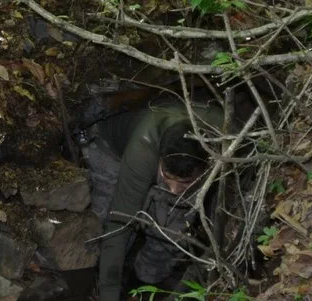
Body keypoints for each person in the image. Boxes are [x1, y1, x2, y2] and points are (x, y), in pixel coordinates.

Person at [82, 97, 224, 301]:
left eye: (183, 184)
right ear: (159, 161)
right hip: (111, 150)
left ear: (208, 166)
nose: (174, 191)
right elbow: (119, 224)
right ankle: (99, 278)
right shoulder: (143, 149)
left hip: (186, 157)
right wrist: (108, 294)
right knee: (104, 223)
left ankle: (145, 285)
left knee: (171, 231)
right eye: (168, 179)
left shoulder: (228, 145)